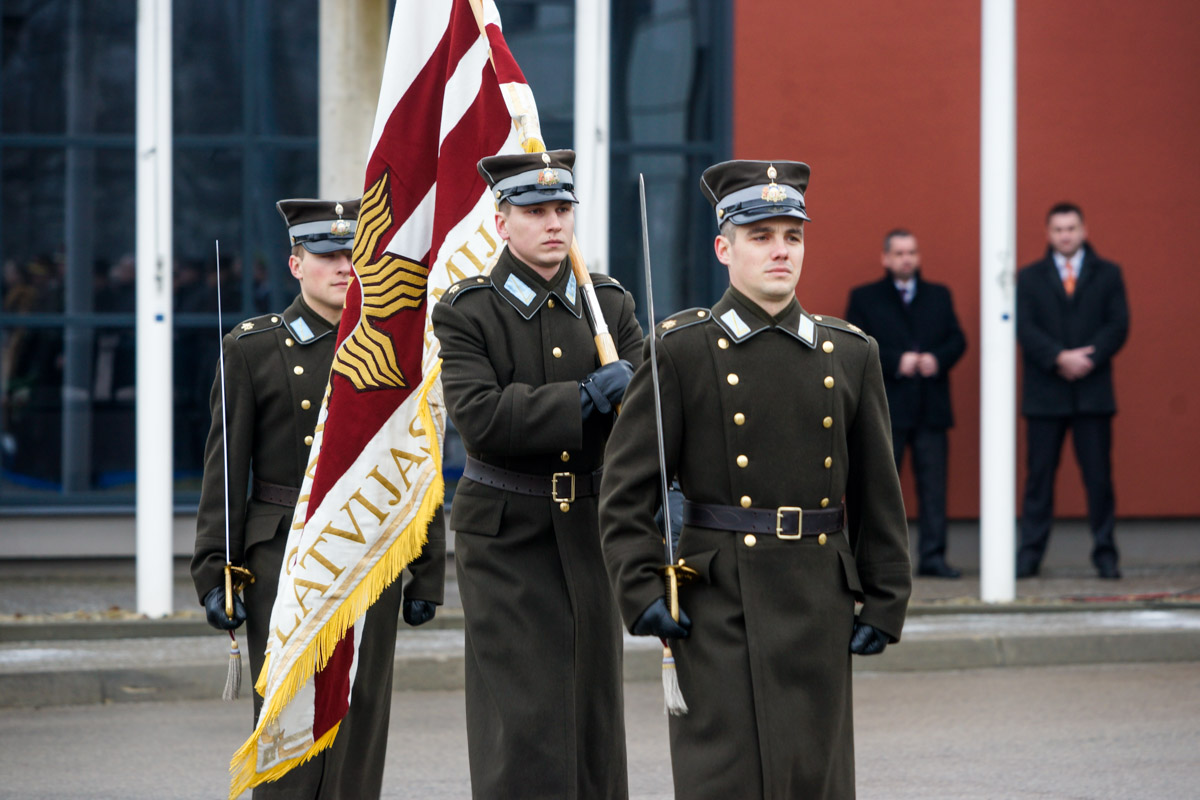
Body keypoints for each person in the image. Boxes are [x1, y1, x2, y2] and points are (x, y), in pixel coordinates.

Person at [600, 160, 912, 798]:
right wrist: (640, 590)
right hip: (717, 602)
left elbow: (879, 491)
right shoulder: (682, 349)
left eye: (791, 237)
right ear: (724, 248)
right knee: (725, 777)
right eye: (761, 236)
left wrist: (885, 597)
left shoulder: (849, 353)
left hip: (817, 599)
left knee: (811, 777)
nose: (780, 251)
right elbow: (626, 491)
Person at [191, 198, 446, 799]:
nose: (343, 267)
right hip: (283, 559)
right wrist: (212, 573)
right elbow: (225, 471)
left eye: (353, 255)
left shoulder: (393, 348)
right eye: (327, 256)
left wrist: (428, 570)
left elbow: (417, 460)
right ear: (295, 264)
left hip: (370, 551)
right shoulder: (253, 348)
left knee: (360, 720)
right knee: (290, 721)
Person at [430, 150, 642, 799]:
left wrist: (631, 395)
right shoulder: (468, 311)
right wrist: (585, 396)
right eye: (535, 211)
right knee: (524, 721)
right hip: (506, 534)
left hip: (590, 525)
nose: (554, 223)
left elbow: (650, 411)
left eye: (562, 209)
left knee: (593, 711)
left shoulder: (607, 303)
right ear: (502, 222)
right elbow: (481, 418)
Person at [1016, 202, 1129, 579]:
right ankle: (1029, 556)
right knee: (1039, 481)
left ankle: (1106, 555)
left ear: (1084, 230)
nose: (1065, 235)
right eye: (1058, 229)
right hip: (1045, 396)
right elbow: (1025, 328)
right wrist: (1058, 357)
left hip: (1092, 394)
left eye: (1071, 228)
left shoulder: (1108, 274)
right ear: (1048, 234)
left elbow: (1118, 324)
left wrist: (1088, 359)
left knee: (1099, 480)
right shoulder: (1029, 277)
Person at [845, 229, 967, 578]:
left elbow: (958, 340)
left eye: (911, 252)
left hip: (932, 409)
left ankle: (933, 557)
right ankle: (874, 561)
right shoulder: (865, 298)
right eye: (899, 253)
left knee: (934, 489)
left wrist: (937, 359)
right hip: (887, 409)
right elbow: (856, 343)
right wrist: (897, 361)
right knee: (879, 490)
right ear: (885, 258)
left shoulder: (939, 296)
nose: (906, 259)